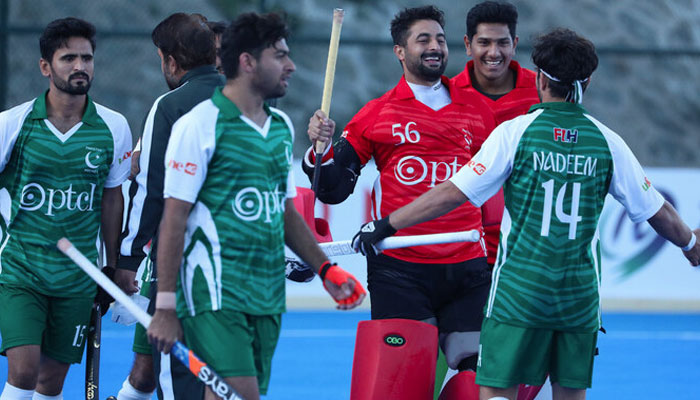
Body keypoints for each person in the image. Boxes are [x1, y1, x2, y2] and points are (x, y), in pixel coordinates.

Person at [352, 27, 700, 400]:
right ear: (588, 81)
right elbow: (657, 211)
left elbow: (453, 193)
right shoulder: (607, 141)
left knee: (494, 391)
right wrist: (692, 243)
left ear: (542, 79)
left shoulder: (515, 133)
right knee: (569, 394)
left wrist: (387, 223)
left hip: (518, 295)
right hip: (578, 299)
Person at [146, 12, 366, 400]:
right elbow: (173, 219)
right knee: (240, 393)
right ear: (247, 62)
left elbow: (283, 212)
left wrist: (326, 269)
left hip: (265, 294)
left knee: (227, 395)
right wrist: (164, 306)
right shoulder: (198, 126)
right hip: (214, 292)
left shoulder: (280, 126)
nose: (292, 66)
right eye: (279, 56)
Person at [304, 5, 496, 393]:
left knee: (476, 383)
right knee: (404, 384)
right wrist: (318, 152)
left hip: (468, 269)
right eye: (423, 39)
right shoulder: (377, 114)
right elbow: (333, 190)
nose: (435, 47)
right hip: (400, 272)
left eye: (440, 39)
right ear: (400, 52)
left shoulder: (479, 111)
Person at [0, 17, 132, 400]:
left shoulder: (113, 126)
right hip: (21, 270)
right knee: (23, 372)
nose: (80, 66)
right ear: (45, 67)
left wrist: (111, 267)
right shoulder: (13, 124)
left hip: (78, 277)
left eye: (87, 58)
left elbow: (112, 197)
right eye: (68, 58)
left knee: (51, 383)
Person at [113, 13, 225, 400]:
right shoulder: (251, 101)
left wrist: (127, 259)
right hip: (244, 273)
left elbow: (152, 190)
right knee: (229, 379)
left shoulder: (171, 106)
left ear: (170, 60)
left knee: (183, 381)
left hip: (184, 269)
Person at [453, 0, 539, 268]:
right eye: (485, 43)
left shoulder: (542, 92)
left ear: (514, 43)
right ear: (468, 45)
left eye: (502, 43)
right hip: (464, 248)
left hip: (527, 247)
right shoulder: (446, 96)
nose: (494, 52)